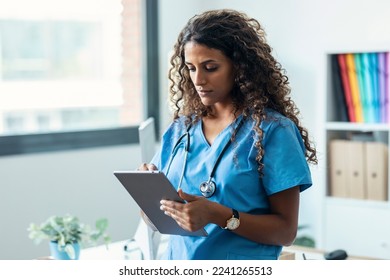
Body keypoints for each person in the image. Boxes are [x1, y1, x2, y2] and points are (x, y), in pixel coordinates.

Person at [138, 9, 317, 260]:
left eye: (210, 67)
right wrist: (147, 196)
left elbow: (285, 232)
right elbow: (156, 221)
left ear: (239, 67)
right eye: (190, 68)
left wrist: (217, 215)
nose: (198, 79)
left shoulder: (273, 131)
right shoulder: (180, 129)